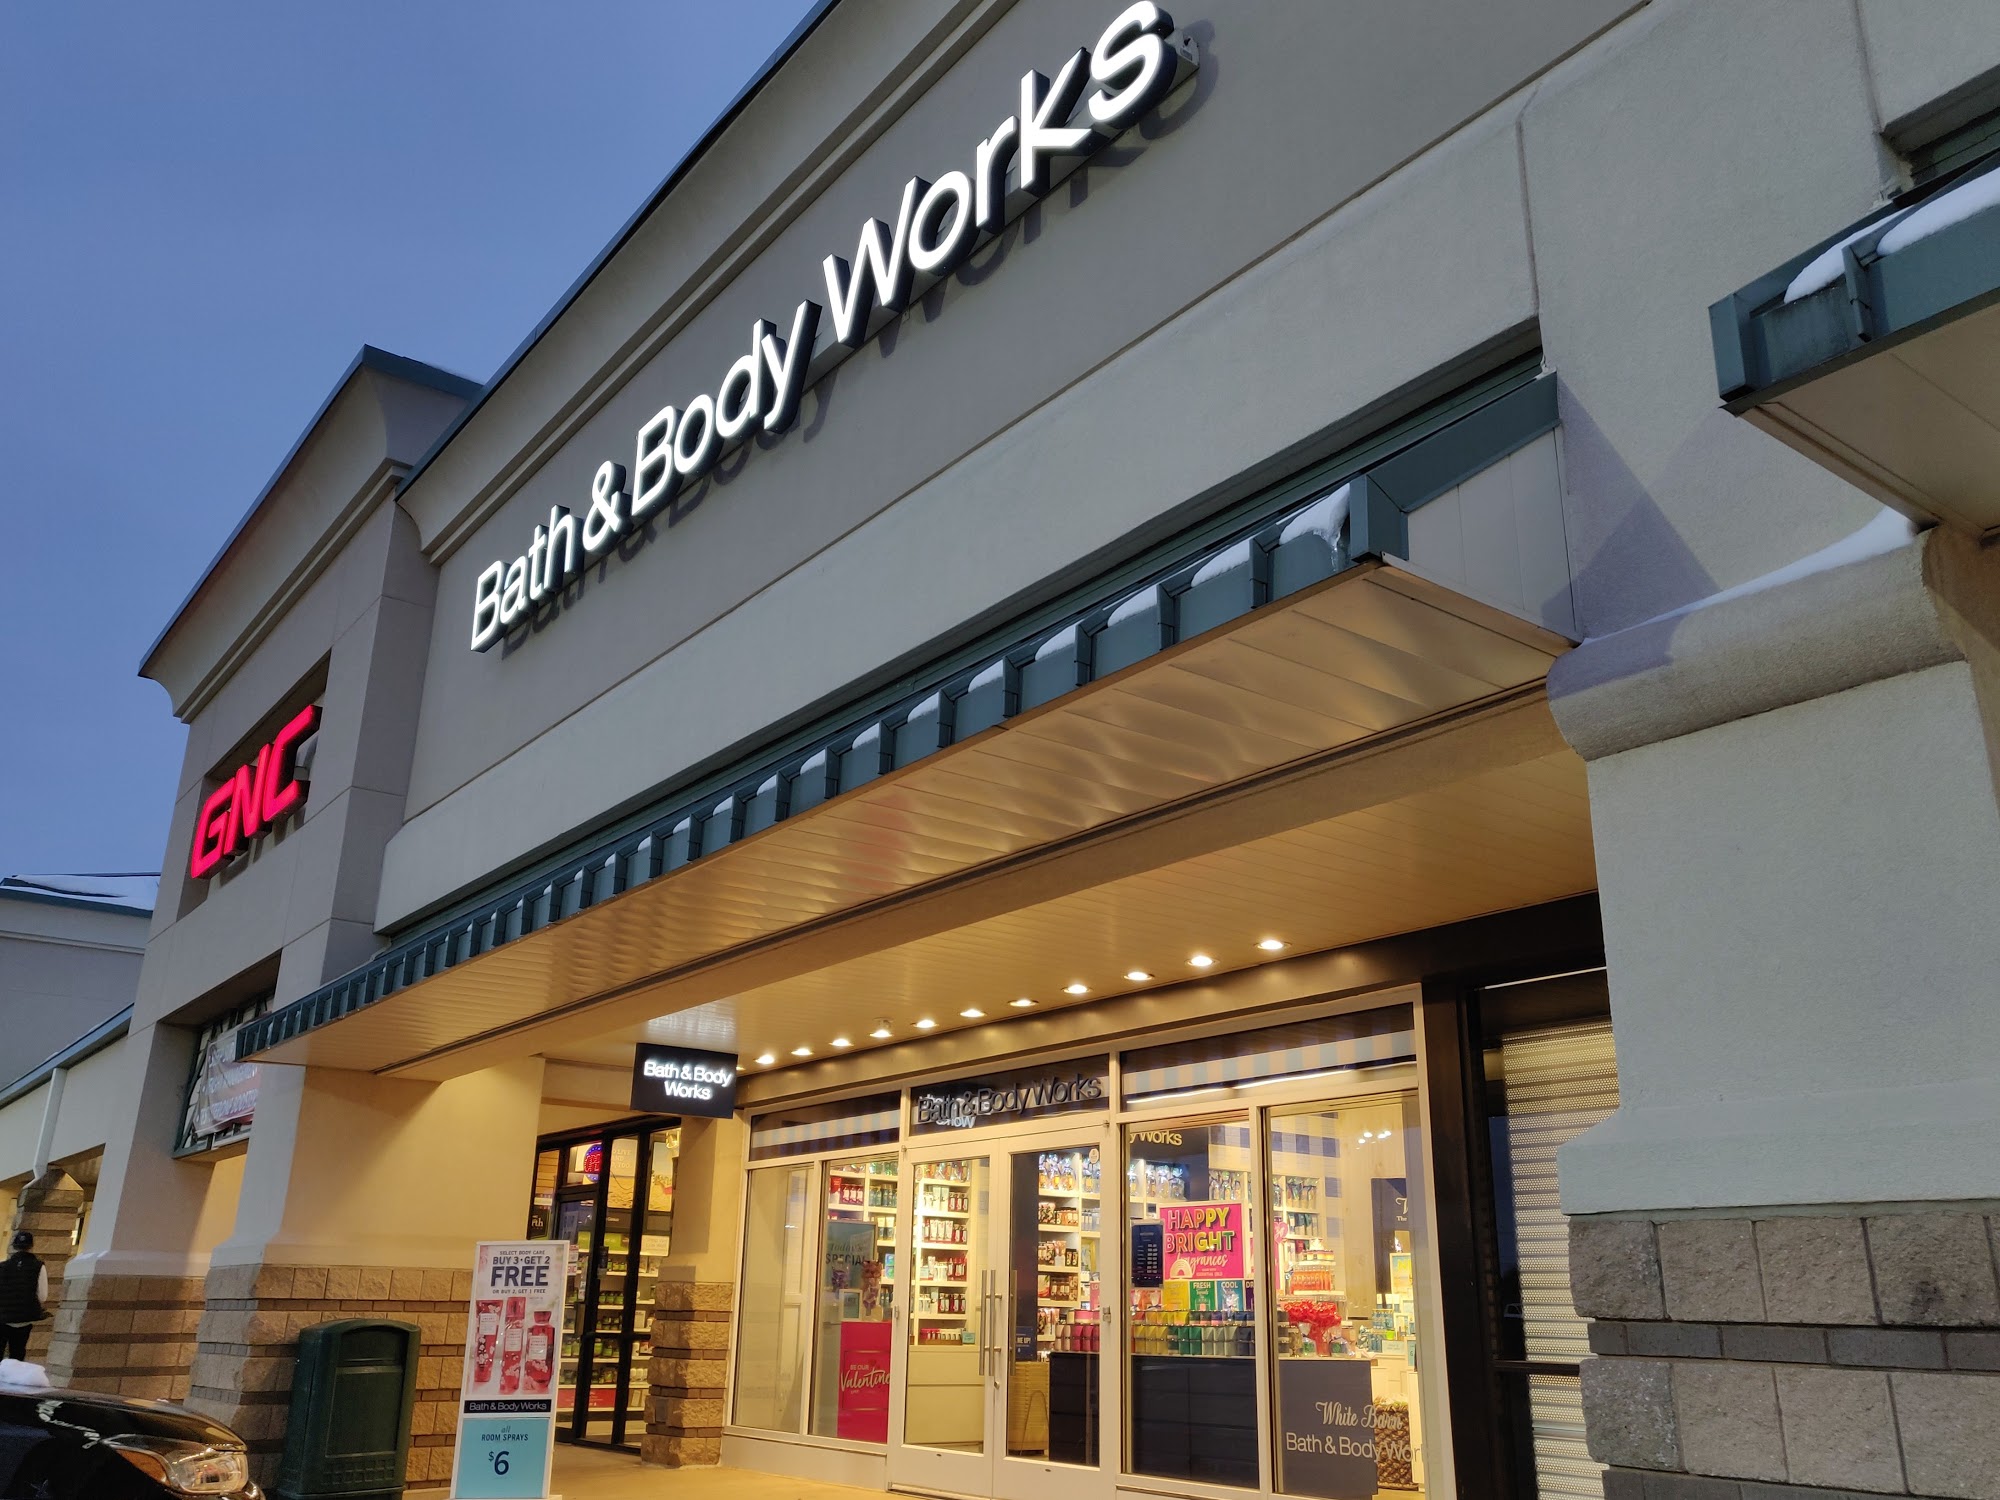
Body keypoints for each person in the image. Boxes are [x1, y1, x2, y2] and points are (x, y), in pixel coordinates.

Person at [0, 1232, 47, 1362]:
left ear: (14, 1246)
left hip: (2, 1316)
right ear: (31, 1246)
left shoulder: (2, 1266)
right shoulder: (38, 1266)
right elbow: (43, 1296)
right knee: (17, 1354)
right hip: (25, 1318)